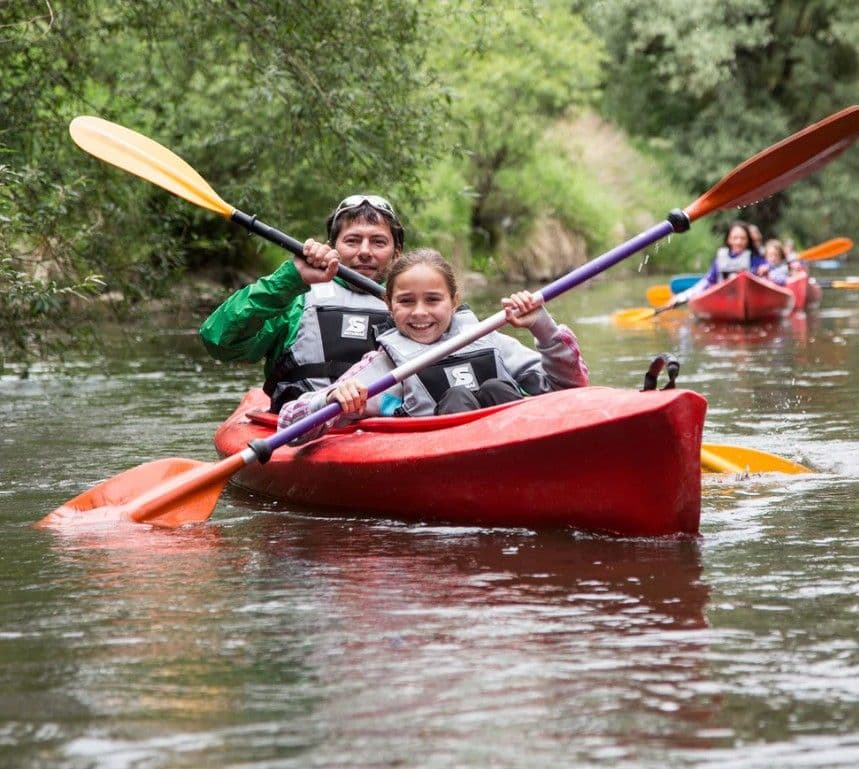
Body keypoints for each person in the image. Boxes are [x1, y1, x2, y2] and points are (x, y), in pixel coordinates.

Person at [277, 248, 589, 441]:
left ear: (454, 301)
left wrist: (543, 326)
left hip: (518, 444)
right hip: (451, 461)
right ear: (389, 305)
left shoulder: (488, 337)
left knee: (495, 387)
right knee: (456, 397)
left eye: (433, 300)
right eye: (406, 301)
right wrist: (335, 398)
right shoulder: (385, 365)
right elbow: (290, 424)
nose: (420, 312)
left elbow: (569, 389)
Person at [199, 195, 404, 412]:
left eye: (378, 242)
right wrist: (290, 279)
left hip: (384, 430)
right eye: (352, 241)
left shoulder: (419, 310)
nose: (364, 251)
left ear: (397, 252)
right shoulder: (294, 298)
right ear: (331, 247)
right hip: (301, 426)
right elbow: (219, 341)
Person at [669, 220, 766, 306]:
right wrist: (681, 297)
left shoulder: (756, 258)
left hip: (748, 299)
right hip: (723, 299)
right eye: (735, 238)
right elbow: (706, 282)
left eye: (743, 238)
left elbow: (769, 272)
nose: (739, 242)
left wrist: (766, 270)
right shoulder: (720, 259)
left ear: (748, 240)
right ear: (728, 240)